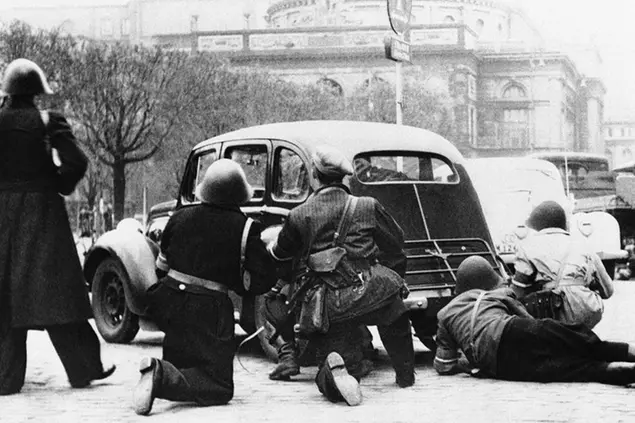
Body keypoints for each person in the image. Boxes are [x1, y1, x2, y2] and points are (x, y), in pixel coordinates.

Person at [267, 145, 415, 406]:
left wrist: (272, 243)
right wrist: (392, 279)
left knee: (336, 362)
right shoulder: (368, 205)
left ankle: (337, 369)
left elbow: (280, 254)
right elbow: (397, 242)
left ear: (315, 175)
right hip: (371, 290)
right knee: (395, 310)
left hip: (328, 305)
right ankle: (405, 375)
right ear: (345, 177)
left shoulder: (299, 215)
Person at [0, 58, 115, 395]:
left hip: (2, 217)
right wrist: (56, 184)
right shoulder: (49, 122)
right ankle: (84, 369)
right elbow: (77, 162)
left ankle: (5, 378)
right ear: (37, 91)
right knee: (57, 293)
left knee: (3, 294)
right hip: (43, 213)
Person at [132, 159, 277, 416]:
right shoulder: (246, 228)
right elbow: (261, 281)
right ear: (238, 194)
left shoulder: (178, 217)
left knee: (183, 363)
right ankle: (161, 375)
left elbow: (161, 268)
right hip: (210, 310)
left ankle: (167, 371)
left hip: (170, 302)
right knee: (220, 387)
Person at [434, 255, 635, 385]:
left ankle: (613, 371)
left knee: (558, 369)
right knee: (578, 339)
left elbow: (444, 365)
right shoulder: (498, 295)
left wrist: (468, 362)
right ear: (488, 280)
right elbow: (528, 320)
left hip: (497, 364)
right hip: (513, 328)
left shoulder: (445, 313)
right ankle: (628, 352)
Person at [511, 200, 614, 328]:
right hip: (586, 314)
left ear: (537, 225)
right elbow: (608, 291)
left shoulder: (527, 247)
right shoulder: (584, 246)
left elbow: (518, 293)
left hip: (551, 314)